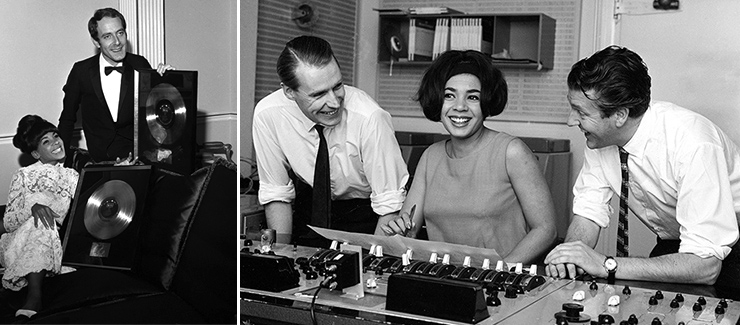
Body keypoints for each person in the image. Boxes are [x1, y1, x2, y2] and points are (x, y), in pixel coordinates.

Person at [545, 46, 740, 288]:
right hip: (678, 241)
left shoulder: (694, 144)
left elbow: (705, 266)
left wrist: (606, 264)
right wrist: (570, 258)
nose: (570, 121)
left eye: (581, 113)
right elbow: (588, 213)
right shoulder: (600, 139)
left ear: (620, 115)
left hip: (726, 247)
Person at [380, 50, 558, 264]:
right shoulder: (430, 157)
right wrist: (400, 233)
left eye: (472, 97)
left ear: (486, 103)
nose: (460, 107)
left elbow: (546, 230)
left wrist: (501, 271)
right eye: (449, 95)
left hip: (501, 284)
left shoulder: (512, 152)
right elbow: (409, 229)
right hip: (445, 280)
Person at [252, 35, 409, 247]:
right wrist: (280, 254)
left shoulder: (369, 118)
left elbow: (389, 206)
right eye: (318, 94)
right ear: (289, 91)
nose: (334, 102)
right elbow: (276, 194)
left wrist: (373, 262)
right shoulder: (268, 114)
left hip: (366, 214)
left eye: (337, 86)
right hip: (310, 208)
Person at [59, 7, 172, 167]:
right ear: (96, 41)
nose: (117, 42)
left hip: (137, 160)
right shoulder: (81, 71)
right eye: (107, 36)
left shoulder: (139, 64)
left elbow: (156, 112)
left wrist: (170, 81)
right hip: (100, 163)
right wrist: (58, 163)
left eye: (120, 33)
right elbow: (67, 119)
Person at [0, 115, 79, 320]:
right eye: (46, 141)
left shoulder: (72, 176)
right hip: (18, 241)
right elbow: (8, 222)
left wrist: (118, 168)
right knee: (41, 220)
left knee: (46, 223)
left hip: (50, 241)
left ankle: (35, 294)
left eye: (56, 136)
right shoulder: (23, 175)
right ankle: (34, 296)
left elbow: (89, 202)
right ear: (35, 153)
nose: (56, 142)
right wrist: (32, 207)